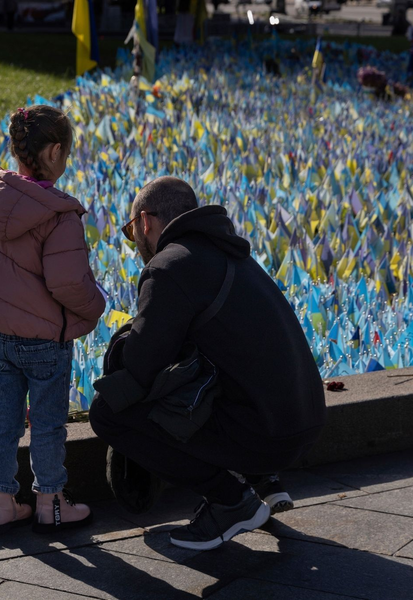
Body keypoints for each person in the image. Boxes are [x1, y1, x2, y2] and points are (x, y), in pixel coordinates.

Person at [89, 177, 326, 551]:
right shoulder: (234, 254)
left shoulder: (168, 267)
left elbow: (141, 365)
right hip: (304, 423)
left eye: (130, 230)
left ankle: (231, 501)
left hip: (267, 435)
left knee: (107, 413)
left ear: (145, 222)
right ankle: (261, 479)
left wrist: (121, 343)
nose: (134, 240)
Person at [0, 106, 106, 535]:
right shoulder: (58, 214)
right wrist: (95, 304)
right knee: (46, 423)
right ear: (55, 152)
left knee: (2, 418)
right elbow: (66, 283)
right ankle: (52, 503)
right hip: (46, 341)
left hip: (1, 335)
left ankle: (1, 502)